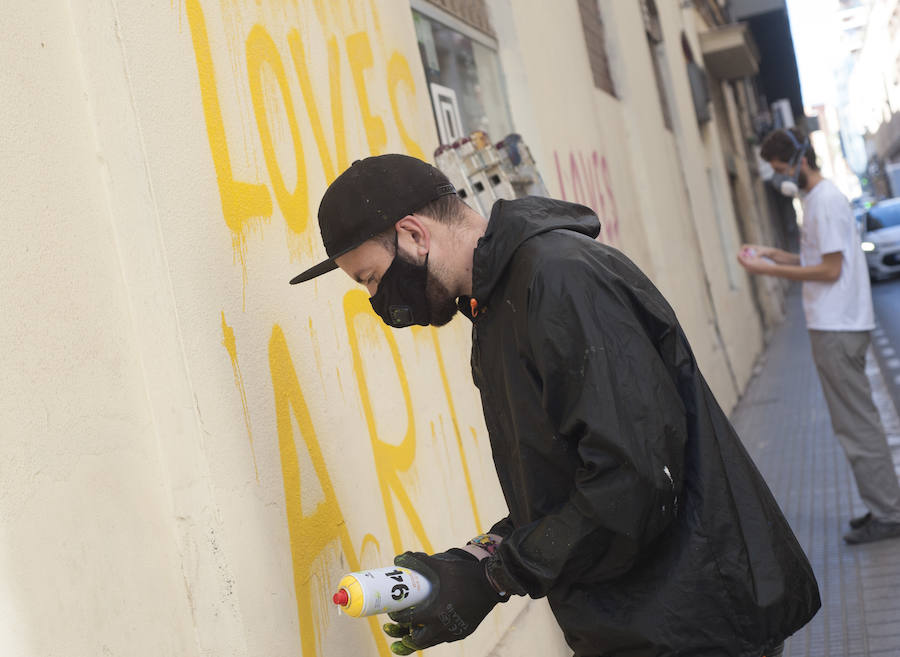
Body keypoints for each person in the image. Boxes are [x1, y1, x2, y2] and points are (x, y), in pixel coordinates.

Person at [291, 154, 820, 657]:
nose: (377, 298)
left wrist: (497, 578)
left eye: (371, 278)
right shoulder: (495, 306)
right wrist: (477, 559)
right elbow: (567, 481)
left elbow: (632, 480)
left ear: (412, 234)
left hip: (692, 622)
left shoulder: (560, 279)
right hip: (637, 623)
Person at [738, 127, 900, 546]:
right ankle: (883, 503)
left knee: (856, 424)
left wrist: (770, 271)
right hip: (837, 325)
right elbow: (820, 260)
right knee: (855, 421)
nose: (780, 177)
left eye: (780, 168)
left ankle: (889, 512)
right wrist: (778, 254)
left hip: (838, 327)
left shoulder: (824, 202)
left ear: (800, 160)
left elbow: (829, 271)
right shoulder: (816, 201)